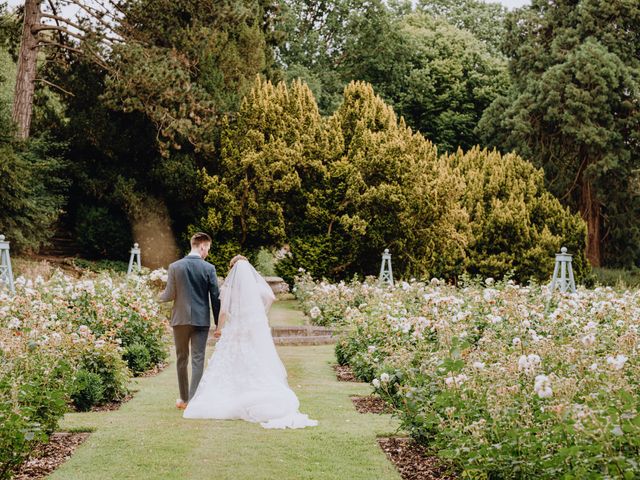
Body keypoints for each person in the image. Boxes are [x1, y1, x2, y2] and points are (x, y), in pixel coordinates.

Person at [183, 255, 318, 429]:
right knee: (252, 361)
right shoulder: (254, 286)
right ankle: (252, 394)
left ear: (232, 269)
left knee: (231, 362)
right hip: (250, 330)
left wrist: (218, 329)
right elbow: (271, 297)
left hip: (234, 330)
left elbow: (223, 311)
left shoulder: (229, 287)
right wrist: (260, 314)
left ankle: (233, 396)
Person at [158, 232, 220, 410]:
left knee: (181, 359)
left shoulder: (175, 267)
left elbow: (169, 295)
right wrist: (218, 323)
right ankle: (194, 400)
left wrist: (156, 297)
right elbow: (215, 298)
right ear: (202, 246)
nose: (207, 252)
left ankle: (184, 399)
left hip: (180, 319)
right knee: (198, 359)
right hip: (201, 320)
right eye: (208, 248)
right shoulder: (209, 268)